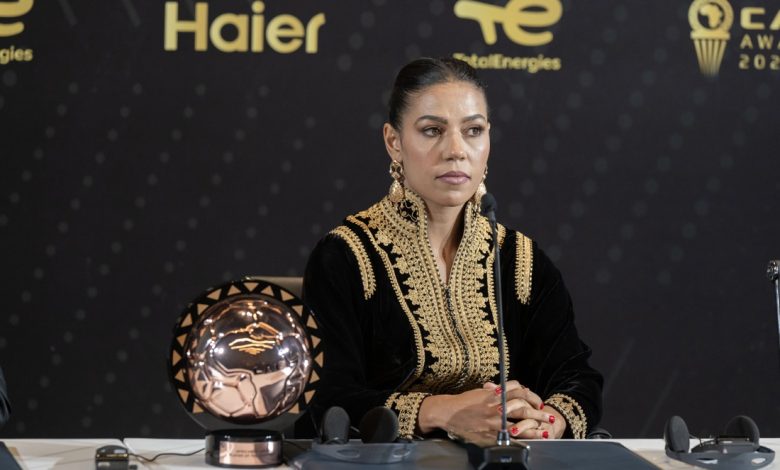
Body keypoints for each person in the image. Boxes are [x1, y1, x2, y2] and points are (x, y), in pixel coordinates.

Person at [302, 57, 602, 441]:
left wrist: (545, 422)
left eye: (473, 130)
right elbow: (327, 398)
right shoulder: (346, 256)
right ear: (394, 142)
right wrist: (445, 413)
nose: (456, 150)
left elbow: (577, 378)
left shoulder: (520, 260)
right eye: (432, 131)